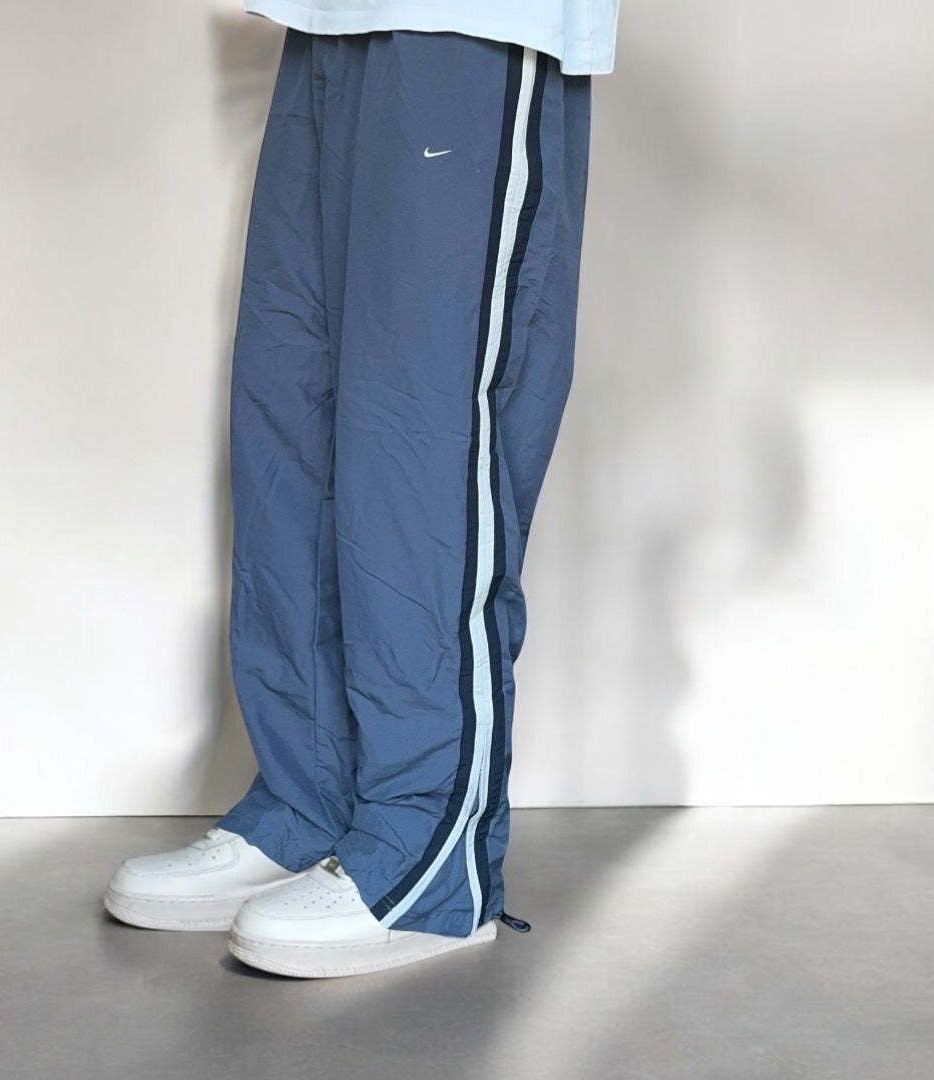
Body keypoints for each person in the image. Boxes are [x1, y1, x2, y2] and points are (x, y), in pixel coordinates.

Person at [104, 0, 621, 978]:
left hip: (475, 23)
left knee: (417, 440)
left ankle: (427, 855)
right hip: (326, 18)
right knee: (292, 423)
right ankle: (307, 805)